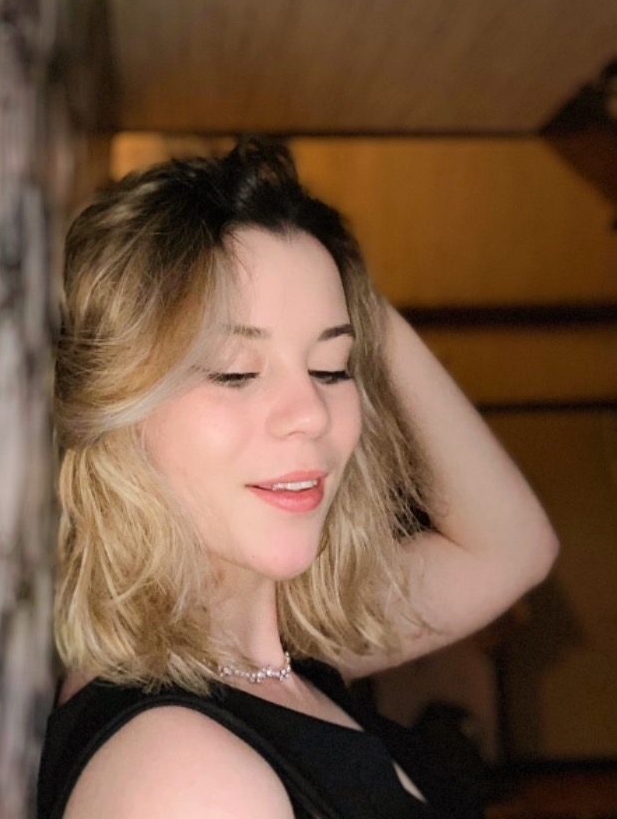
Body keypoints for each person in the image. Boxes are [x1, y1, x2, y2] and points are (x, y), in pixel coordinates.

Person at [37, 139, 558, 819]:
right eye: (236, 372)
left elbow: (515, 548)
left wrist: (336, 290)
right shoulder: (186, 779)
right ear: (119, 406)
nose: (310, 413)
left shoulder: (277, 657)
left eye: (331, 367)